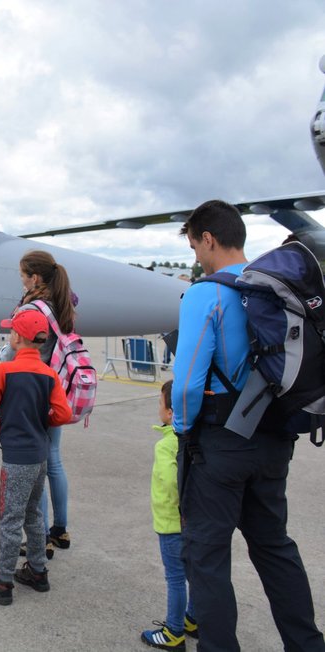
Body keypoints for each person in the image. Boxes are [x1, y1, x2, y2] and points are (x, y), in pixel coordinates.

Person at [172, 199, 325, 650]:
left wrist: (182, 429)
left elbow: (187, 386)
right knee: (274, 546)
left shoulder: (206, 293)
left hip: (219, 445)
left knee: (208, 555)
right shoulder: (276, 289)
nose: (196, 257)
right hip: (276, 438)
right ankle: (307, 644)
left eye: (196, 246)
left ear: (208, 238)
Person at [0, 309, 72, 606]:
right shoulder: (48, 373)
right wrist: (41, 424)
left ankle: (2, 581)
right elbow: (63, 414)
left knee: (10, 518)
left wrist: (3, 429)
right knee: (33, 514)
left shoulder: (5, 371)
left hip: (17, 458)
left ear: (17, 337)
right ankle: (38, 571)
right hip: (40, 454)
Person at [15, 249, 77, 557]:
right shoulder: (63, 302)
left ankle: (39, 536)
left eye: (23, 276)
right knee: (53, 459)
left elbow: (19, 347)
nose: (21, 281)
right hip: (57, 388)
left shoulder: (35, 307)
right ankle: (60, 530)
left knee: (37, 466)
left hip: (33, 390)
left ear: (34, 277)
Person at [141, 380, 197, 649]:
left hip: (171, 522)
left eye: (160, 404)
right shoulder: (195, 438)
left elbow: (170, 483)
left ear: (172, 413)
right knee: (194, 572)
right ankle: (193, 618)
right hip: (195, 521)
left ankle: (174, 630)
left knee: (175, 577)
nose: (158, 408)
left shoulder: (166, 445)